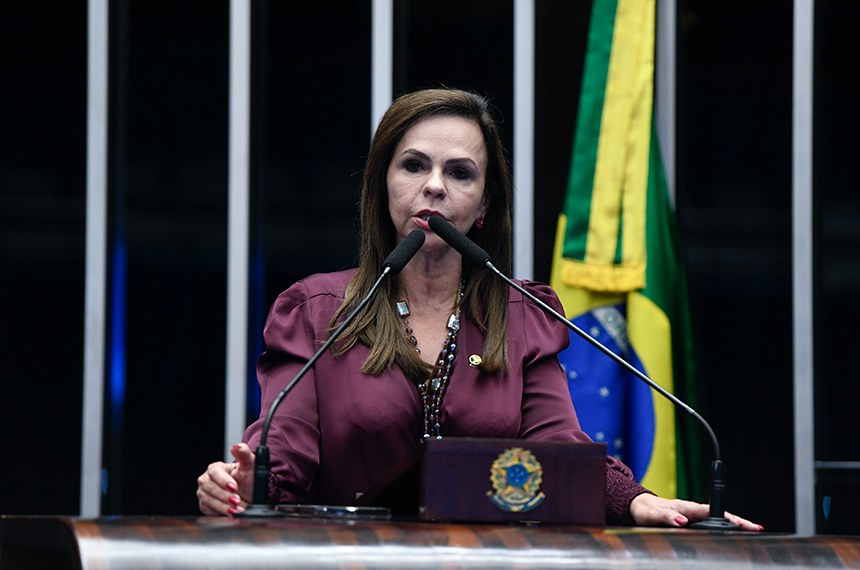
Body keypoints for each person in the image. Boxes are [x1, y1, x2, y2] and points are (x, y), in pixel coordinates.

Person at [197, 88, 761, 530]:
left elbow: (558, 451)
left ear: (484, 204)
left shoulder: (522, 316)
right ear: (383, 184)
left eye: (459, 172)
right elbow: (281, 459)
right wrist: (244, 484)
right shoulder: (317, 312)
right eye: (413, 166)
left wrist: (633, 500)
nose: (434, 187)